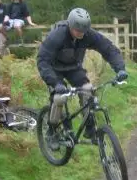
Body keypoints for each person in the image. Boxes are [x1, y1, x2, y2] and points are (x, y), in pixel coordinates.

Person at [37, 7, 128, 143]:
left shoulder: (87, 34)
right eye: (77, 30)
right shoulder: (57, 36)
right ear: (70, 25)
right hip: (54, 69)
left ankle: (90, 130)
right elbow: (43, 61)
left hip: (74, 68)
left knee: (87, 91)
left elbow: (108, 49)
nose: (81, 34)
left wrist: (120, 68)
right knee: (59, 98)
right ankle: (52, 131)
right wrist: (56, 83)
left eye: (84, 31)